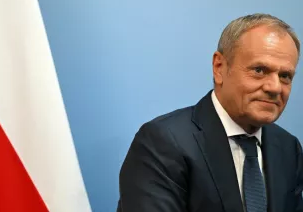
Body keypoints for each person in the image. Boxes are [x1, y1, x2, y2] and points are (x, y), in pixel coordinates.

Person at [117, 13, 303, 212]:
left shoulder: (287, 147)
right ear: (219, 67)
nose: (275, 87)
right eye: (259, 70)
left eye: (285, 76)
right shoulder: (164, 142)